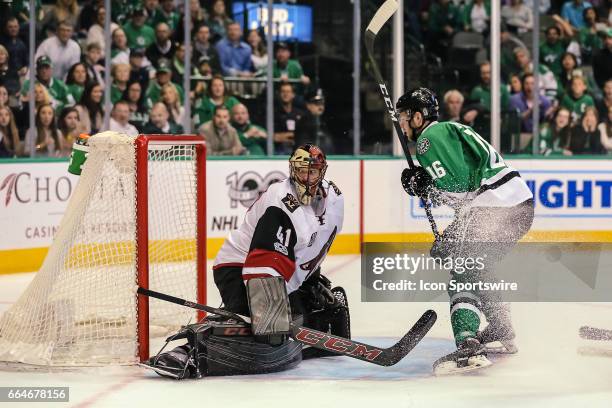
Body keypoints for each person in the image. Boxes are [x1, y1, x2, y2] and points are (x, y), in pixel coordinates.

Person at [145, 143, 348, 379]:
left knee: (300, 315)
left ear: (322, 172)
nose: (306, 177)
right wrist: (269, 317)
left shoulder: (334, 198)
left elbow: (316, 243)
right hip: (238, 267)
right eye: (301, 171)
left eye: (312, 172)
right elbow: (264, 263)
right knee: (252, 323)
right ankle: (188, 350)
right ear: (292, 169)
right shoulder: (281, 202)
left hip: (280, 274)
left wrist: (311, 280)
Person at [396, 87, 533, 371]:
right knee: (481, 267)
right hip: (519, 206)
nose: (402, 123)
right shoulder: (449, 130)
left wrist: (425, 186)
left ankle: (468, 346)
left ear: (419, 116)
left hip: (493, 206)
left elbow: (460, 189)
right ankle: (500, 329)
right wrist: (429, 190)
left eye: (405, 116)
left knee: (463, 270)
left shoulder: (428, 139)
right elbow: (466, 191)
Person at [294, 88, 333, 154]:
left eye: (322, 103)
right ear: (308, 105)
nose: (320, 107)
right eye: (317, 103)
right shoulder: (304, 122)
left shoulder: (324, 121)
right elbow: (303, 145)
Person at [274, 82, 304, 154]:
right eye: (283, 91)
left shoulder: (300, 113)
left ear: (293, 95)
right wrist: (291, 135)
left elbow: (304, 134)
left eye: (288, 92)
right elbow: (273, 137)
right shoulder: (274, 113)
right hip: (279, 150)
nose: (285, 94)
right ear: (279, 94)